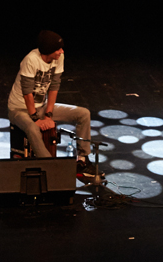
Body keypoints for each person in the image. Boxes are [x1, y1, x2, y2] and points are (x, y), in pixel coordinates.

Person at [7, 30, 98, 183]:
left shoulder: (59, 58)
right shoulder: (30, 60)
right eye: (58, 49)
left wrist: (48, 114)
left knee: (83, 113)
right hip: (19, 109)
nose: (62, 51)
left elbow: (54, 87)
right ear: (48, 50)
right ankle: (51, 168)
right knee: (33, 128)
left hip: (41, 106)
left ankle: (82, 160)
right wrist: (35, 118)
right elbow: (27, 93)